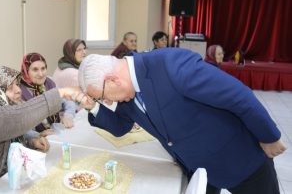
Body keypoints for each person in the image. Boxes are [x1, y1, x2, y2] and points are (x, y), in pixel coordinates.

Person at [76, 49, 287, 194]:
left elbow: (237, 95)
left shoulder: (170, 65)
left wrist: (269, 136)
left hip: (239, 160)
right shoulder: (127, 93)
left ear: (113, 79)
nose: (107, 102)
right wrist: (92, 106)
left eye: (103, 97)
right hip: (197, 166)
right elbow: (120, 127)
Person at [0, 66, 81, 194]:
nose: (18, 90)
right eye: (10, 88)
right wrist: (60, 93)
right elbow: (14, 120)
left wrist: (31, 141)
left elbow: (8, 134)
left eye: (17, 84)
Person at [21, 52, 76, 131]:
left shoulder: (49, 82)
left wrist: (68, 115)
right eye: (35, 69)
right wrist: (37, 136)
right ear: (26, 71)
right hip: (35, 139)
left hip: (54, 132)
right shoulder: (19, 91)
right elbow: (21, 128)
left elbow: (67, 101)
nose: (41, 74)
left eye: (43, 68)